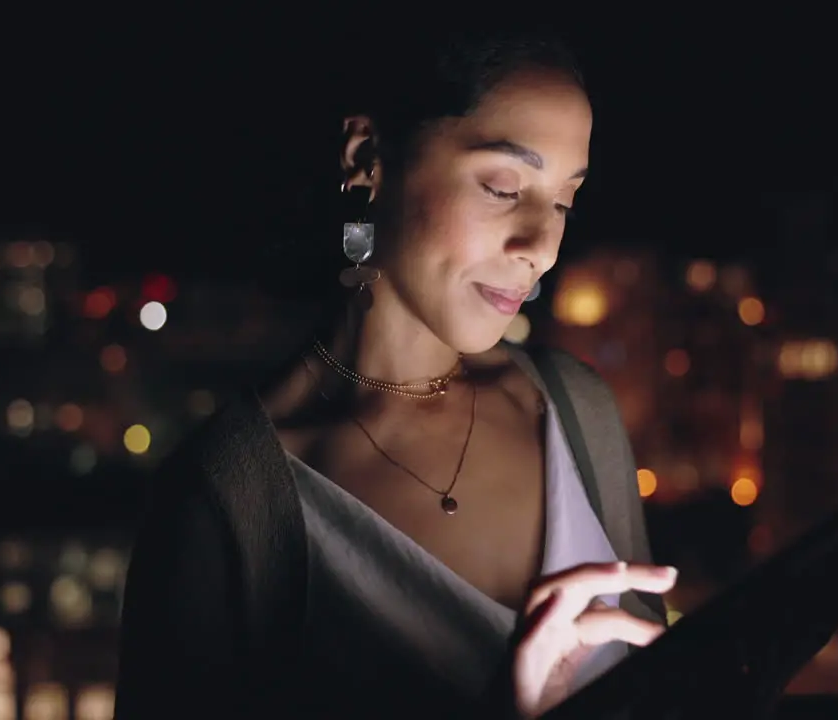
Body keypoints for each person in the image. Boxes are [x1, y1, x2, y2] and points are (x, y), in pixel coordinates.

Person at [115, 26, 677, 719]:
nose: (541, 247)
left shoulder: (576, 411)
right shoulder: (228, 500)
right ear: (368, 157)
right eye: (504, 187)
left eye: (564, 200)